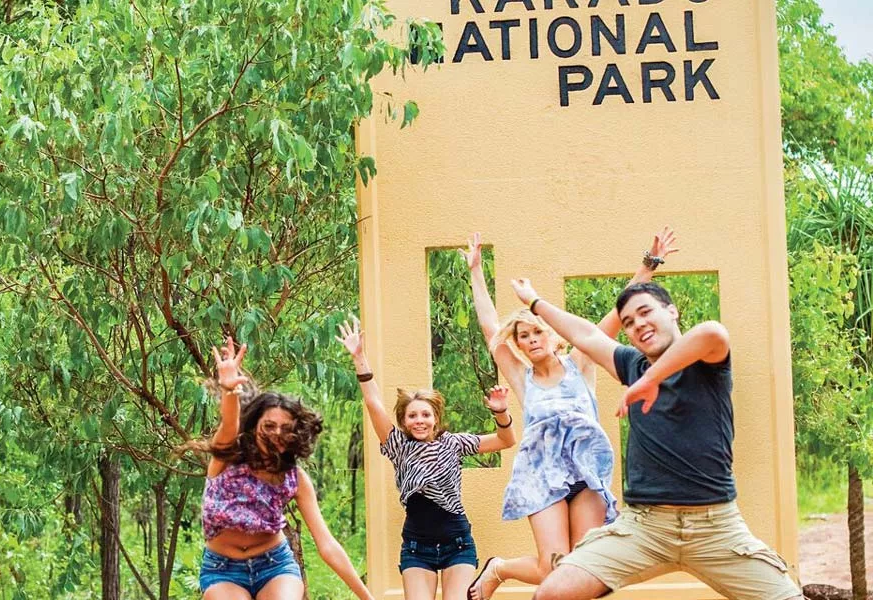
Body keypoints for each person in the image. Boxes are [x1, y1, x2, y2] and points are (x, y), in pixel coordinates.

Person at [508, 279, 803, 600]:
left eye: (645, 312)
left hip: (715, 528)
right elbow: (586, 335)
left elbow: (713, 332)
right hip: (644, 528)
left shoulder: (706, 363)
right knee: (552, 592)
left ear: (672, 311)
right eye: (629, 322)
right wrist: (535, 301)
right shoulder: (631, 364)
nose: (638, 325)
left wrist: (650, 378)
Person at [461, 229, 678, 599]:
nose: (531, 340)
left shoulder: (580, 362)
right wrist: (476, 271)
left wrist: (648, 266)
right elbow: (489, 330)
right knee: (551, 566)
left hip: (587, 472)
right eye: (524, 336)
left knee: (583, 568)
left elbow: (615, 315)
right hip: (541, 475)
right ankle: (499, 568)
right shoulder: (522, 377)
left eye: (537, 332)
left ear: (556, 336)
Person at [336, 317, 517, 600]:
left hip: (457, 543)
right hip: (416, 547)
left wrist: (501, 412)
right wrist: (360, 358)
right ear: (404, 422)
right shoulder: (398, 445)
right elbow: (373, 402)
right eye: (412, 416)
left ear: (435, 418)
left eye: (425, 414)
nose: (419, 420)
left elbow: (506, 441)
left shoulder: (454, 443)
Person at [198, 337, 375, 599]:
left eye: (285, 429)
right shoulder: (227, 458)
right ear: (254, 426)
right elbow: (228, 425)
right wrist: (229, 391)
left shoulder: (295, 478)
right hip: (222, 570)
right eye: (269, 426)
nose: (276, 435)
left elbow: (326, 544)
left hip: (275, 565)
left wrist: (367, 597)